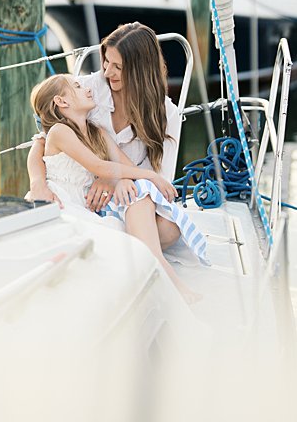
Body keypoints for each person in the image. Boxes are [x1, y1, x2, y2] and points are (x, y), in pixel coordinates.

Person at [30, 74, 207, 301]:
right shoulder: (59, 132)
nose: (85, 87)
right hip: (65, 205)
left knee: (142, 194)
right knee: (142, 186)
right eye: (76, 86)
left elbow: (124, 165)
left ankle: (155, 262)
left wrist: (135, 179)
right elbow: (98, 166)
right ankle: (166, 275)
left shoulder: (97, 133)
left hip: (89, 207)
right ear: (61, 102)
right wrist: (151, 176)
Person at [27, 22, 182, 248]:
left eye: (117, 67)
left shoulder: (167, 113)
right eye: (106, 61)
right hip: (83, 193)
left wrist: (113, 178)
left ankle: (131, 250)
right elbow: (42, 143)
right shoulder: (86, 89)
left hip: (129, 193)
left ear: (140, 70)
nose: (108, 72)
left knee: (169, 230)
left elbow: (158, 177)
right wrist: (38, 182)